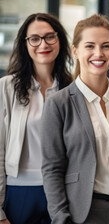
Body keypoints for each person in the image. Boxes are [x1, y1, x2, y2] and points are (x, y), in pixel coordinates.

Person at [41, 14, 109, 224]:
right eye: (89, 46)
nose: (98, 53)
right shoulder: (58, 104)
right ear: (75, 51)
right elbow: (52, 169)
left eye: (106, 46)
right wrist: (61, 218)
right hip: (87, 212)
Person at [0, 13, 73, 224]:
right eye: (35, 38)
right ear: (25, 44)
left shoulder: (72, 89)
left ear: (60, 40)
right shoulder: (6, 88)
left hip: (62, 191)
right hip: (19, 192)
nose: (43, 44)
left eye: (50, 36)